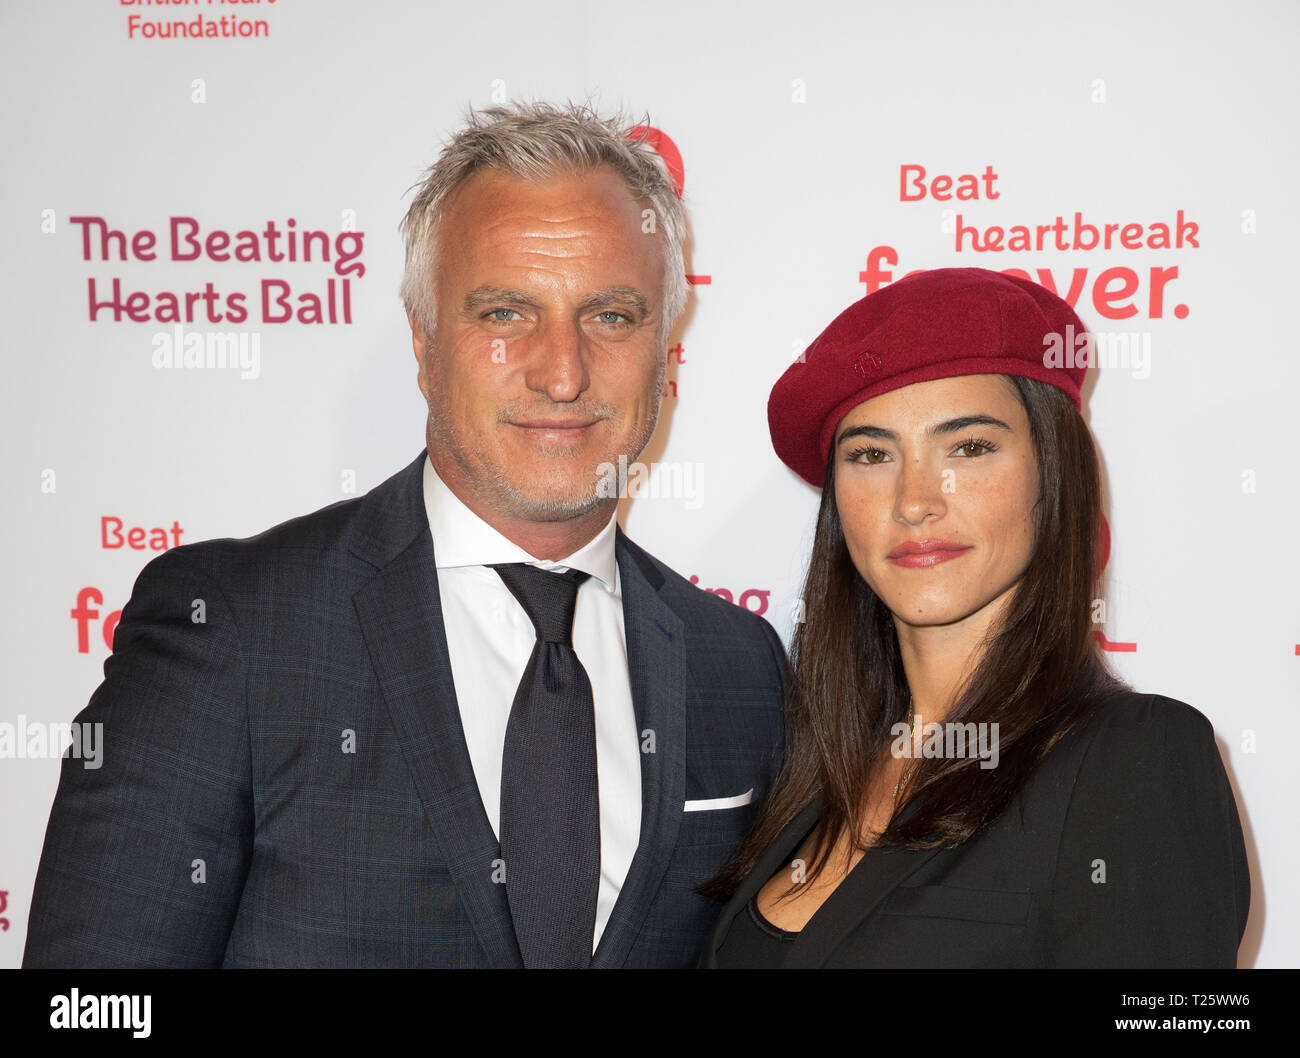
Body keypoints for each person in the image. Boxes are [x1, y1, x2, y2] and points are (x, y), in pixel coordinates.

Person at [24, 101, 786, 969]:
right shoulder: (230, 630)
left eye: (611, 316)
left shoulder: (738, 667)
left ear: (664, 351)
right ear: (424, 346)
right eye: (504, 314)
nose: (563, 372)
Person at [701, 267, 1250, 968]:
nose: (916, 500)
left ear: (1053, 476)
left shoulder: (1135, 759)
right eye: (871, 455)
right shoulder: (820, 763)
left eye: (969, 447)